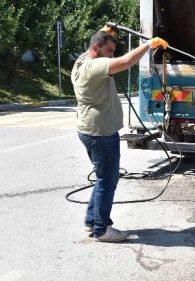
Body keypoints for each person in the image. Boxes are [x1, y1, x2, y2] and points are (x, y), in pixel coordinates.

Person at [71, 25, 168, 243]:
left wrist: (107, 32)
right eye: (109, 51)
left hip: (90, 130)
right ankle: (101, 229)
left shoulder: (81, 61)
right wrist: (149, 45)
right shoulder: (94, 67)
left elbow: (103, 46)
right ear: (96, 49)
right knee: (108, 180)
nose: (112, 55)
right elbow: (125, 62)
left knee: (103, 177)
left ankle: (91, 221)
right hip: (101, 133)